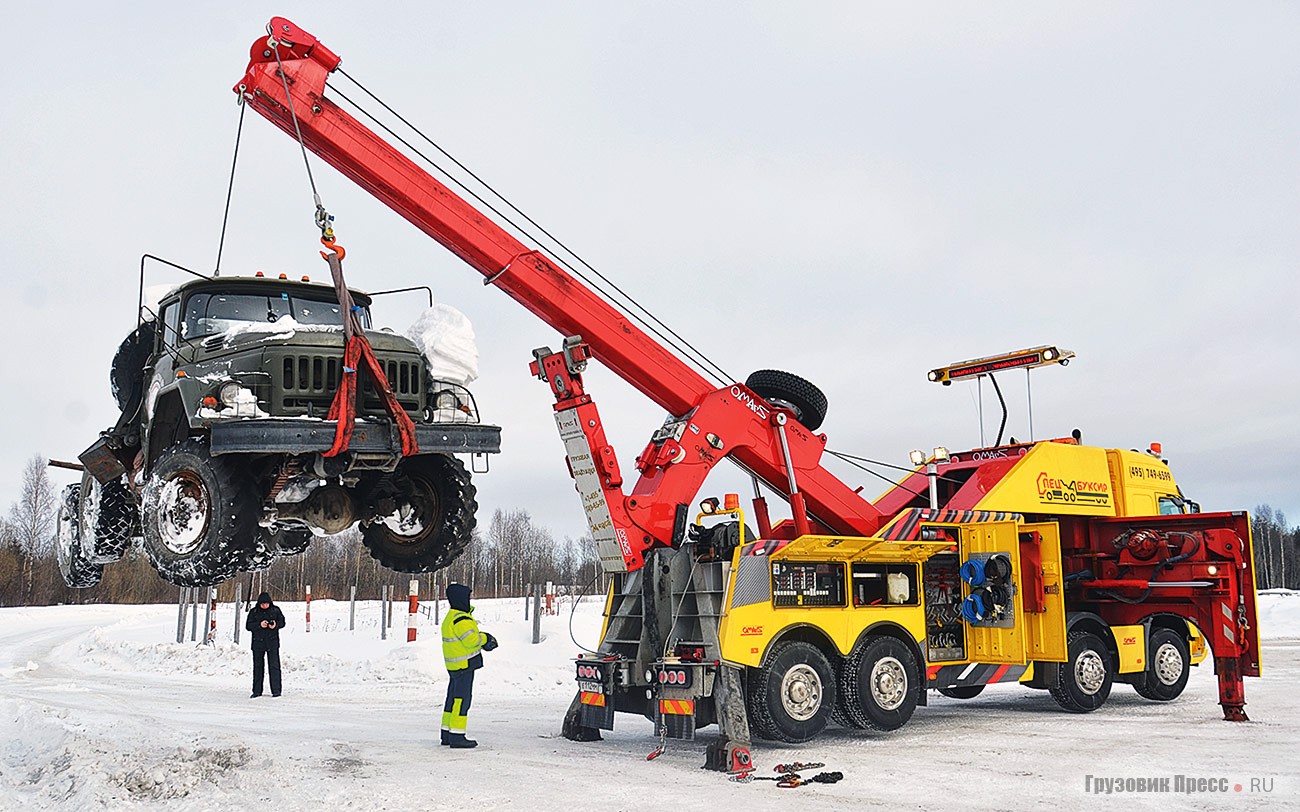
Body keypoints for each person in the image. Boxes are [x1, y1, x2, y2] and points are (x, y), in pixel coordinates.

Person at [440, 583, 498, 748]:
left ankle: (447, 734)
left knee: (451, 700)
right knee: (462, 701)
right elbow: (471, 640)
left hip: (454, 666)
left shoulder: (451, 616)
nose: (469, 599)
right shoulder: (461, 619)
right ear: (461, 599)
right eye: (467, 597)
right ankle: (457, 737)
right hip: (464, 665)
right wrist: (486, 638)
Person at [245, 591, 286, 698]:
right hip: (258, 643)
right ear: (259, 603)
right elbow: (248, 626)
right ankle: (257, 691)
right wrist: (259, 625)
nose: (265, 606)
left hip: (272, 643)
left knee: (274, 667)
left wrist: (275, 625)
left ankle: (276, 691)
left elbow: (282, 622)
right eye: (263, 604)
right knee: (258, 667)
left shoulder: (275, 610)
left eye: (266, 604)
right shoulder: (254, 612)